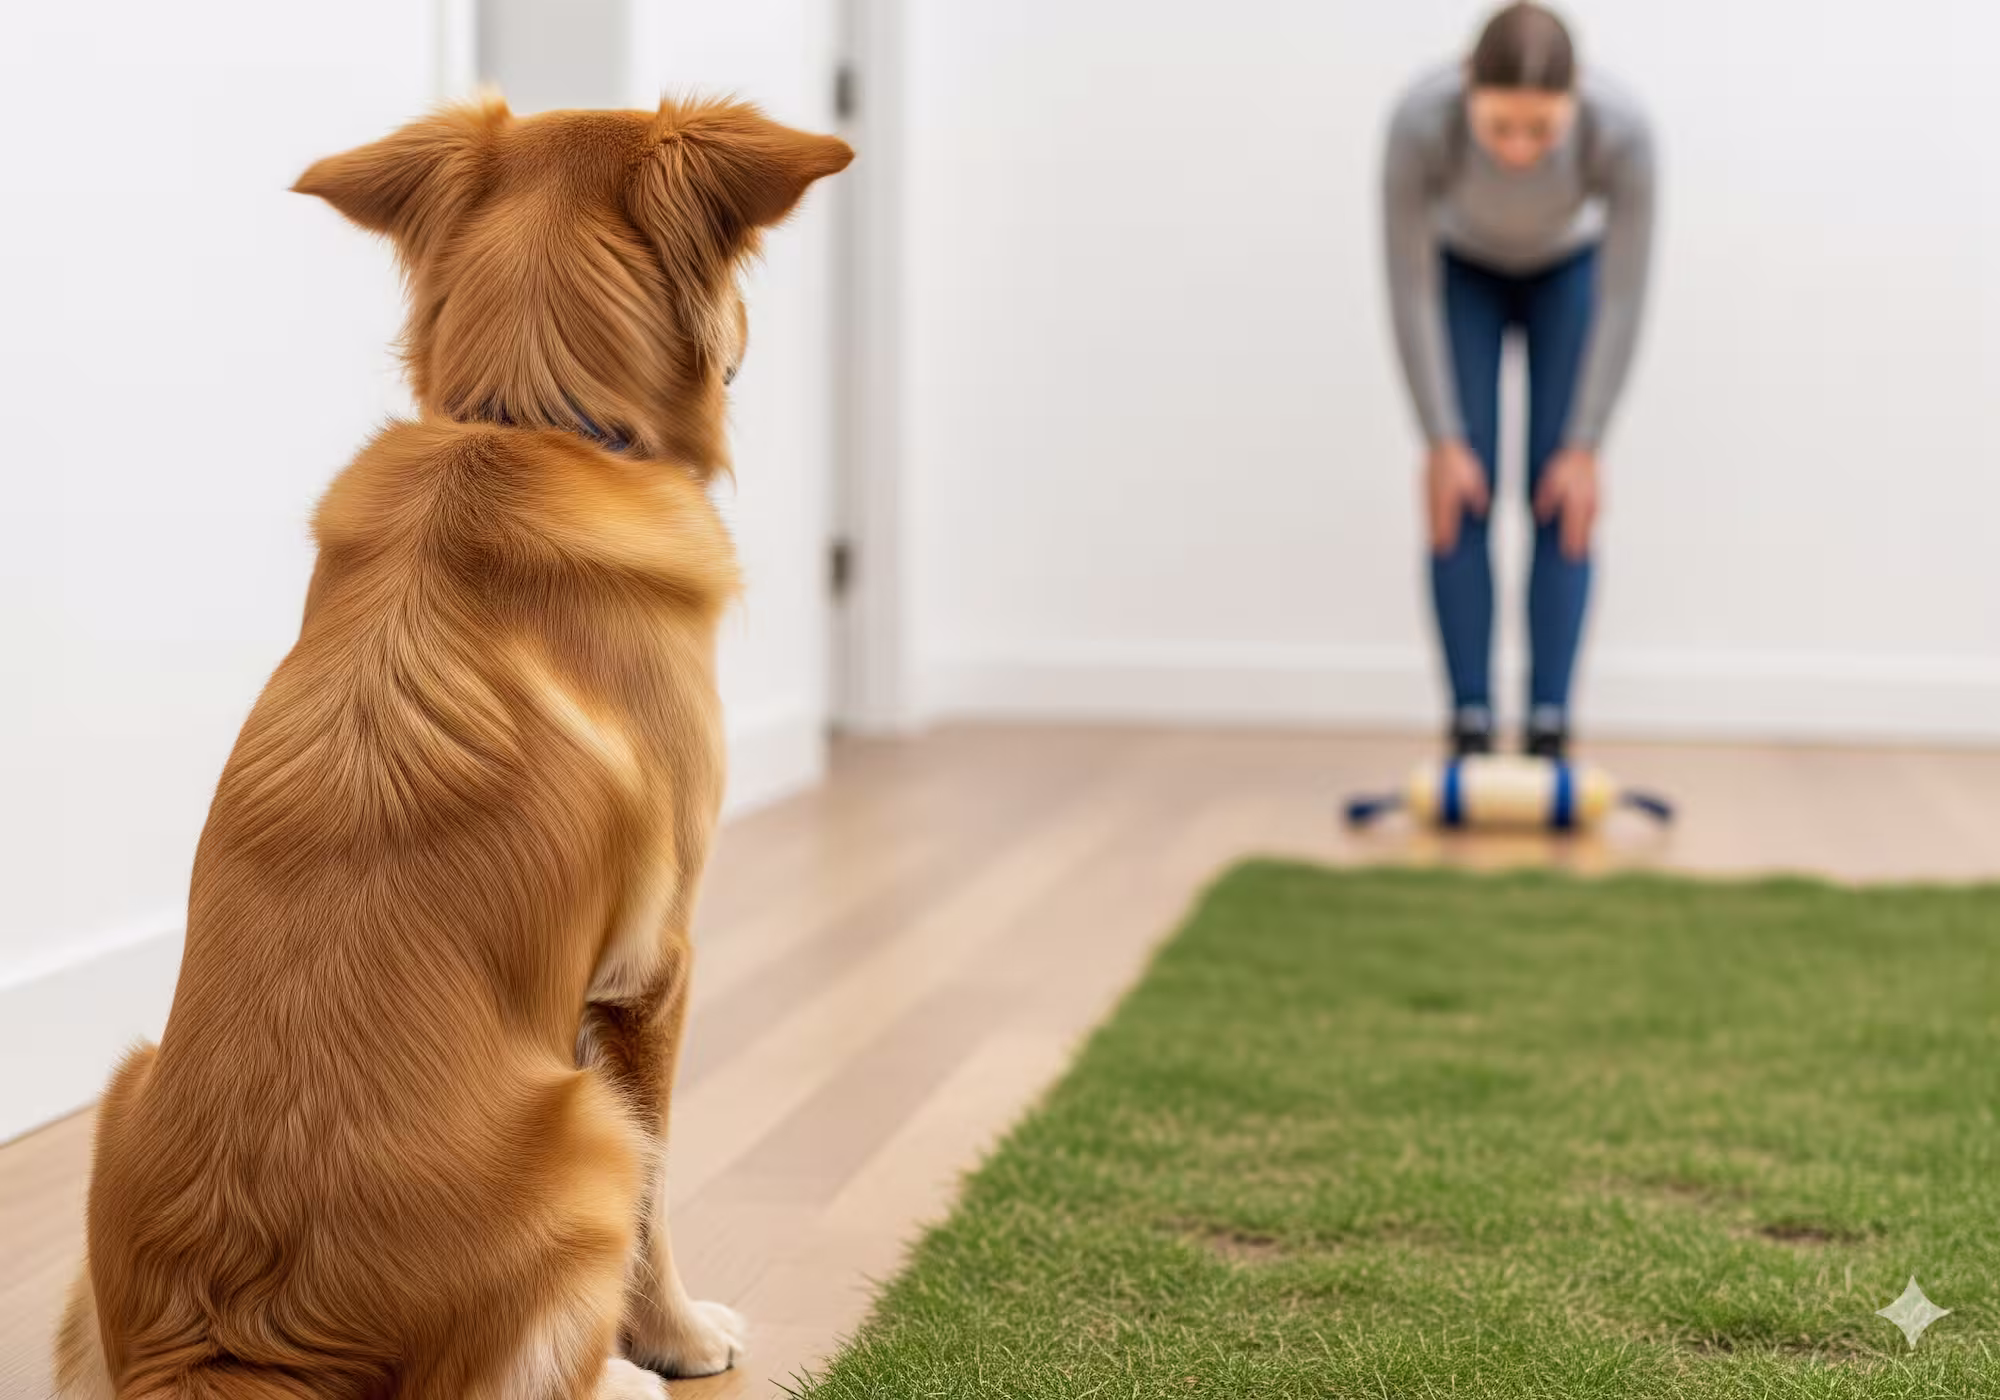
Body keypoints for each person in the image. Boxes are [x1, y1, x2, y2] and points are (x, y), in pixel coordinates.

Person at [1383, 2, 1655, 760]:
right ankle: (1469, 717)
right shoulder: (1419, 124)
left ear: (1576, 102)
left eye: (1541, 130)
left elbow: (1625, 292)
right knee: (1460, 494)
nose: (1519, 149)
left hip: (1567, 277)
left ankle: (1549, 720)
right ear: (1469, 89)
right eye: (1500, 127)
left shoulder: (1622, 132)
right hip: (1459, 273)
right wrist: (1439, 435)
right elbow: (1407, 284)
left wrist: (1587, 442)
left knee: (1561, 495)